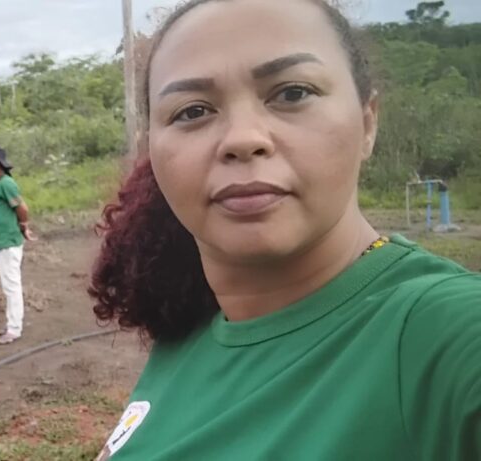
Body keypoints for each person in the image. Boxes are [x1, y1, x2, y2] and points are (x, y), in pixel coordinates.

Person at [90, 1, 481, 459]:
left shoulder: (441, 335)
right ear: (151, 151)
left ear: (368, 122)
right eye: (192, 111)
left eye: (292, 93)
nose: (242, 138)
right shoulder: (185, 336)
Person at [0, 148, 36, 345]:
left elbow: (22, 207)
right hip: (1, 242)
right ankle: (11, 323)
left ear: (2, 165)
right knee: (8, 285)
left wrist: (24, 226)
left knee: (12, 286)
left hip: (8, 242)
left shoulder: (6, 183)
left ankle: (14, 329)